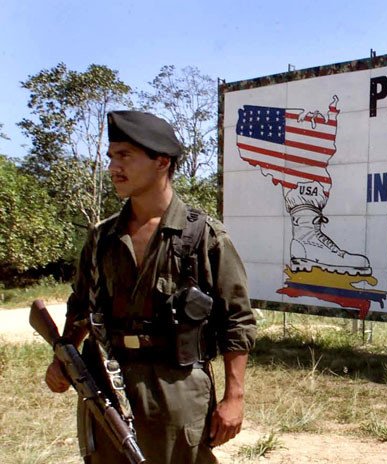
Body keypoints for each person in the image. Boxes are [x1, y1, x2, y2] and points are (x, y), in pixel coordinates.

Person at [44, 110, 257, 463]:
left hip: (178, 386)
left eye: (124, 156)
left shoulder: (203, 236)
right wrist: (62, 357)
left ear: (161, 162)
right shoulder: (102, 237)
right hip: (107, 382)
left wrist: (234, 396)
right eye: (111, 157)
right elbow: (82, 305)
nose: (113, 167)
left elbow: (237, 319)